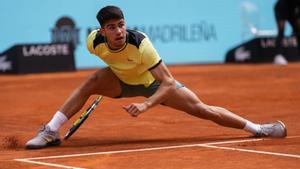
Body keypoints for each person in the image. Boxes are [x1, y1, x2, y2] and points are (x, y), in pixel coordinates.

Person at [26, 6, 287, 149]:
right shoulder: (93, 43)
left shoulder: (140, 44)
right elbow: (111, 63)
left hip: (152, 84)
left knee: (204, 110)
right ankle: (50, 131)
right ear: (102, 31)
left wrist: (146, 103)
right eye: (111, 27)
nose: (118, 31)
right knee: (91, 82)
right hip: (119, 80)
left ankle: (258, 129)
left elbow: (168, 82)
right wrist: (113, 81)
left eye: (121, 24)